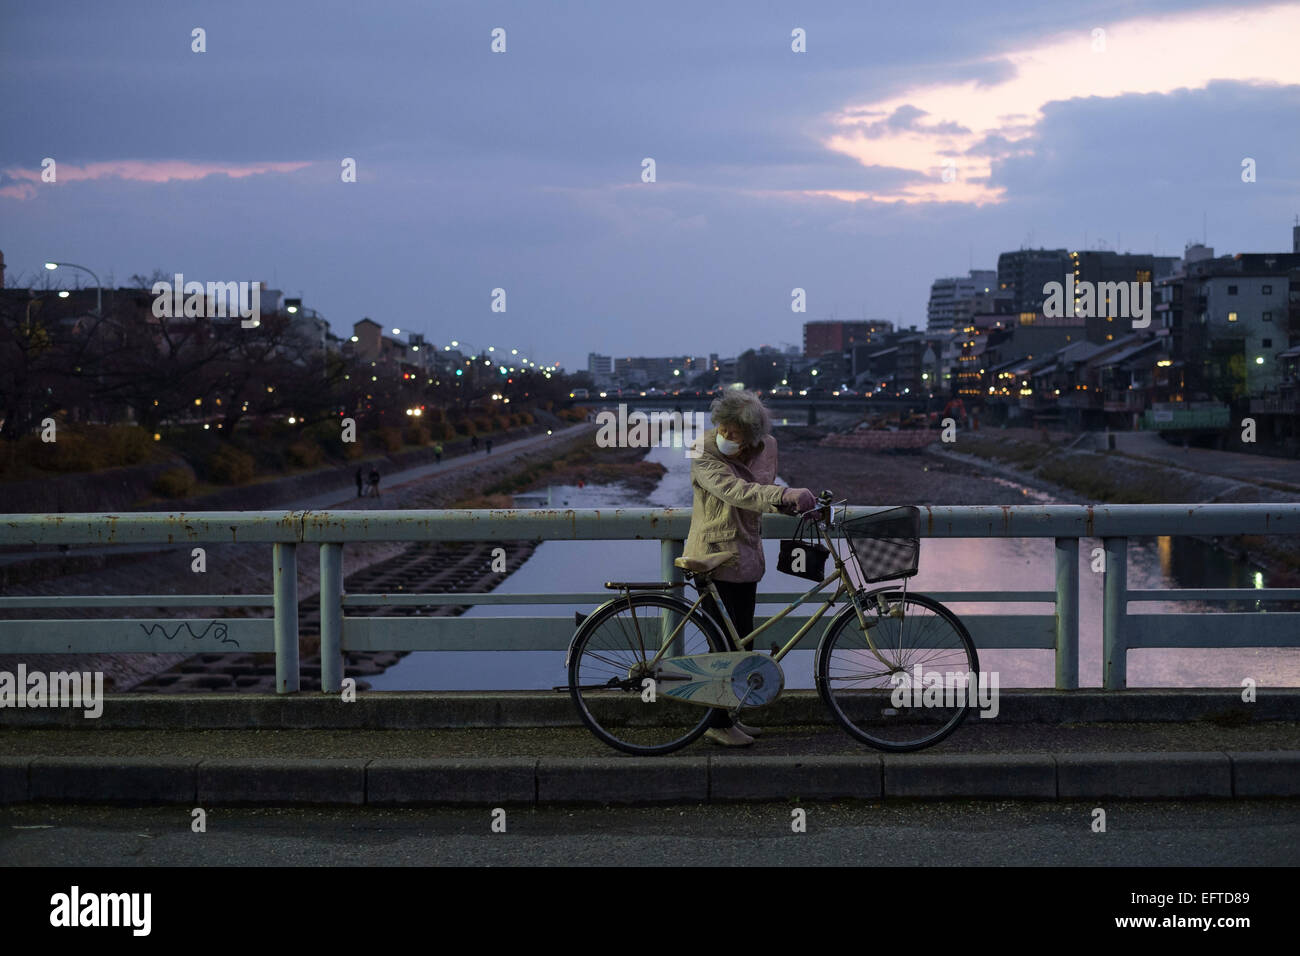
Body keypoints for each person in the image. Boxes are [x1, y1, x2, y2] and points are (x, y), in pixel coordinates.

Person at [684, 389, 816, 747]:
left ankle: (730, 715)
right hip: (712, 554)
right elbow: (737, 491)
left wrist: (792, 504)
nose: (725, 437)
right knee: (723, 647)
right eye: (723, 429)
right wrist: (785, 496)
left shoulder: (767, 447)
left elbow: (763, 490)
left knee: (743, 639)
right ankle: (717, 722)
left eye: (734, 434)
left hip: (747, 553)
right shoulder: (701, 449)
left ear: (753, 437)